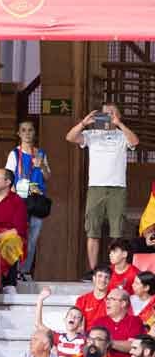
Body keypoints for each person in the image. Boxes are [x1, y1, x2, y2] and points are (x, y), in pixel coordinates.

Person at [66, 104, 139, 276]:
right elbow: (70, 137)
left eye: (112, 113)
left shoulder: (122, 135)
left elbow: (135, 142)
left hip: (117, 188)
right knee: (93, 230)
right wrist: (84, 123)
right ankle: (93, 271)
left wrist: (119, 124)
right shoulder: (92, 135)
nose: (108, 116)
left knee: (117, 232)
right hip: (96, 188)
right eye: (105, 113)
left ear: (118, 115)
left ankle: (116, 269)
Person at [6, 119, 53, 280]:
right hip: (19, 200)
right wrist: (12, 199)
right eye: (24, 130)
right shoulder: (14, 154)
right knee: (19, 236)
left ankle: (24, 271)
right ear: (18, 134)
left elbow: (47, 176)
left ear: (34, 133)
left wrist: (42, 167)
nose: (27, 133)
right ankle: (15, 270)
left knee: (33, 237)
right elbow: (8, 178)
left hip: (37, 199)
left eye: (30, 130)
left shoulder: (41, 154)